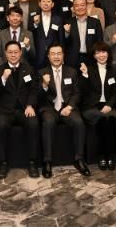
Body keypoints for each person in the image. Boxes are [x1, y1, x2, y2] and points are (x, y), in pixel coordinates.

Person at [38, 43, 90, 177]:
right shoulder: (41, 72)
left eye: (59, 53)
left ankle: (79, 159)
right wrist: (44, 85)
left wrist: (70, 106)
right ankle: (47, 161)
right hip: (49, 108)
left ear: (63, 56)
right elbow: (37, 96)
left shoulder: (71, 71)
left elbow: (77, 93)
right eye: (53, 54)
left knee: (79, 122)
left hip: (67, 106)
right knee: (48, 122)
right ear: (48, 56)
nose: (56, 57)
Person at [0, 41, 40, 178]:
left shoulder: (29, 69)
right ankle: (2, 163)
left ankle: (32, 163)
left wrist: (30, 105)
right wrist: (3, 78)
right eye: (10, 52)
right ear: (6, 54)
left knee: (33, 123)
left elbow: (34, 90)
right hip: (5, 110)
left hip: (24, 109)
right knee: (0, 126)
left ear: (20, 53)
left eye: (16, 52)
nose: (13, 55)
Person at [79, 42, 116, 171]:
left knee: (111, 120)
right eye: (98, 53)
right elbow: (82, 92)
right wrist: (85, 75)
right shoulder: (88, 70)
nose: (101, 55)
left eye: (104, 52)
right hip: (90, 106)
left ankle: (110, 156)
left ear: (108, 53)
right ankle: (102, 156)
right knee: (103, 119)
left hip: (107, 105)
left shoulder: (114, 70)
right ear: (94, 55)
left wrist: (109, 105)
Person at [64, 0, 103, 68]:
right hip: (72, 59)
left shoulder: (95, 22)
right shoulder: (67, 22)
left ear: (86, 6)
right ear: (73, 8)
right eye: (77, 5)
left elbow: (99, 41)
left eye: (82, 5)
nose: (80, 7)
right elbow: (63, 43)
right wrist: (67, 33)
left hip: (91, 59)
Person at [30, 0, 65, 69]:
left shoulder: (58, 19)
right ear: (39, 4)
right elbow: (30, 34)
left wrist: (62, 56)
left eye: (48, 1)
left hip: (54, 55)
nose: (46, 4)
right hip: (38, 53)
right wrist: (35, 24)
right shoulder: (34, 17)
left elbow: (61, 39)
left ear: (52, 4)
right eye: (43, 1)